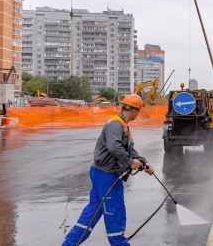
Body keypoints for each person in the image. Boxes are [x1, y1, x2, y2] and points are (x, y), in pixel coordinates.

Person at [62, 94, 155, 246]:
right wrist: (131, 163)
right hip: (107, 175)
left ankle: (69, 244)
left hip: (103, 174)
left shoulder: (123, 125)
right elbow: (114, 147)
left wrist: (144, 163)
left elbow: (129, 149)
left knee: (92, 213)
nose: (138, 114)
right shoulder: (116, 124)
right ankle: (120, 244)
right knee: (115, 212)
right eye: (138, 111)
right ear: (133, 110)